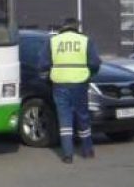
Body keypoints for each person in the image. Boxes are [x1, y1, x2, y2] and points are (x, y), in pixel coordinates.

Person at [38, 17, 101, 164]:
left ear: (63, 27)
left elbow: (43, 65)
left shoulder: (53, 41)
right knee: (83, 117)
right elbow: (95, 63)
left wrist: (48, 78)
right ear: (76, 27)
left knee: (64, 118)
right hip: (80, 83)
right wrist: (89, 75)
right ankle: (87, 151)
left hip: (59, 83)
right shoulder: (85, 40)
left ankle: (67, 155)